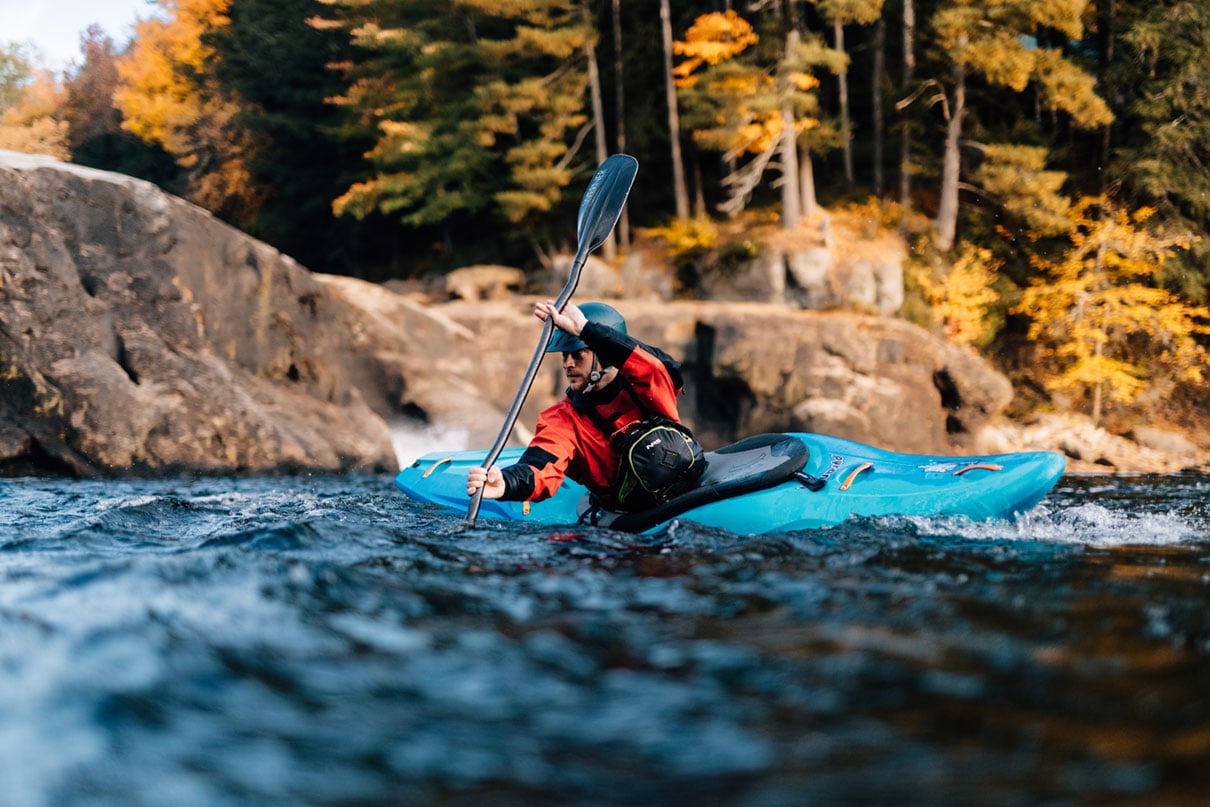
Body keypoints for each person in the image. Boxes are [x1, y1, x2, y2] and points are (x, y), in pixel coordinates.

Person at [466, 300, 704, 513]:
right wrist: (506, 483)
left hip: (687, 483)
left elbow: (660, 365)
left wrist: (587, 331)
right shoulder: (563, 419)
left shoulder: (645, 385)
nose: (567, 364)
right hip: (629, 516)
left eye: (577, 354)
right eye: (564, 356)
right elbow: (540, 466)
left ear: (605, 356)